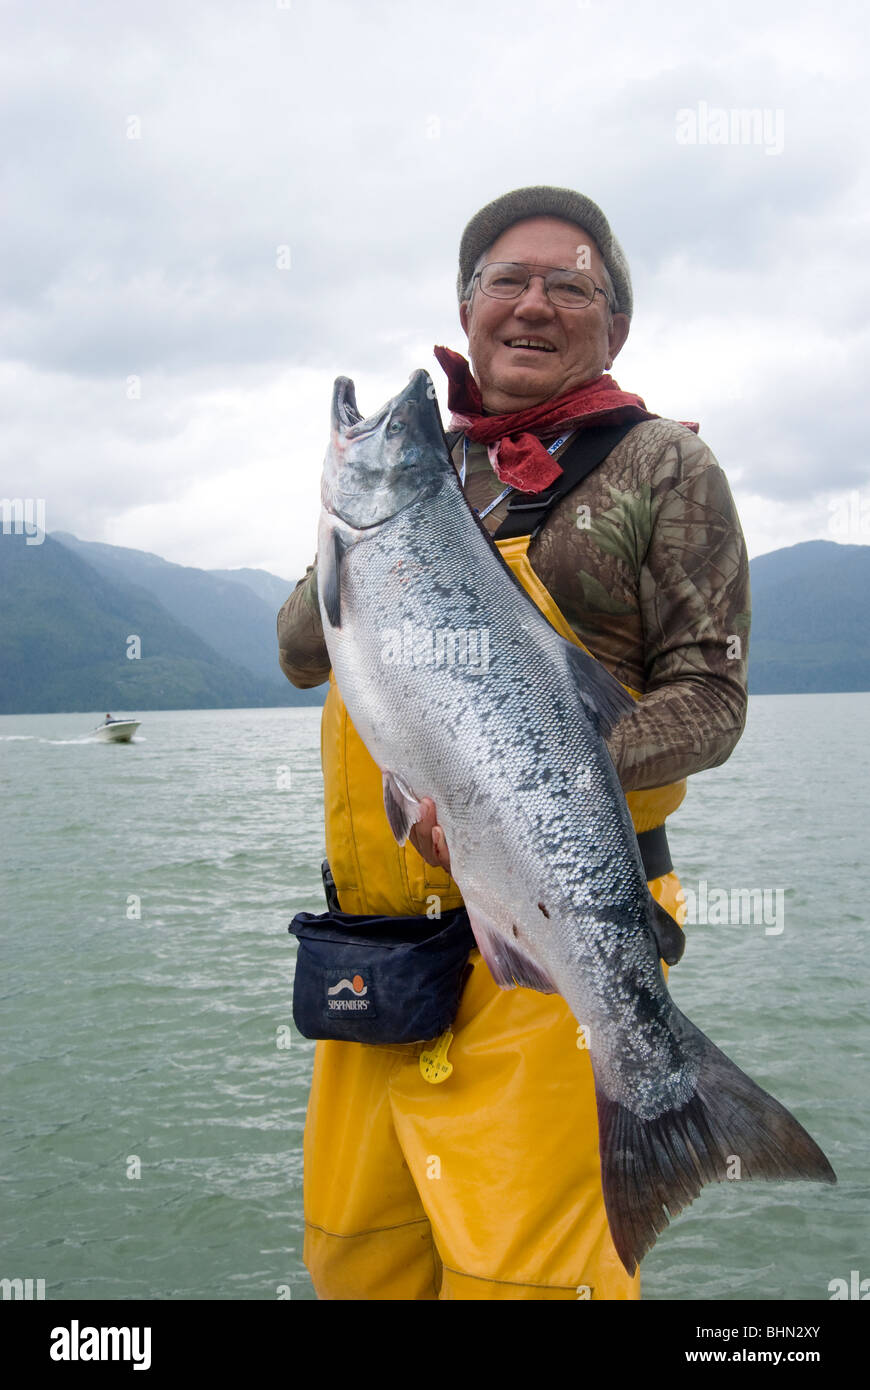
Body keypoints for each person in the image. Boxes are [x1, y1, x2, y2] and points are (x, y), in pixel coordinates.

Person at [278, 185, 750, 1300]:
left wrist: (528, 787)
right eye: (507, 280)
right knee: (361, 1249)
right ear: (467, 306)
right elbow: (303, 649)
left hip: (551, 943)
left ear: (613, 324)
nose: (534, 303)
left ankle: (665, 1109)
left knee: (525, 1275)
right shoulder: (420, 473)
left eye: (571, 285)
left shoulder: (662, 470)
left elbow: (712, 702)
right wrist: (361, 531)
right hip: (380, 946)